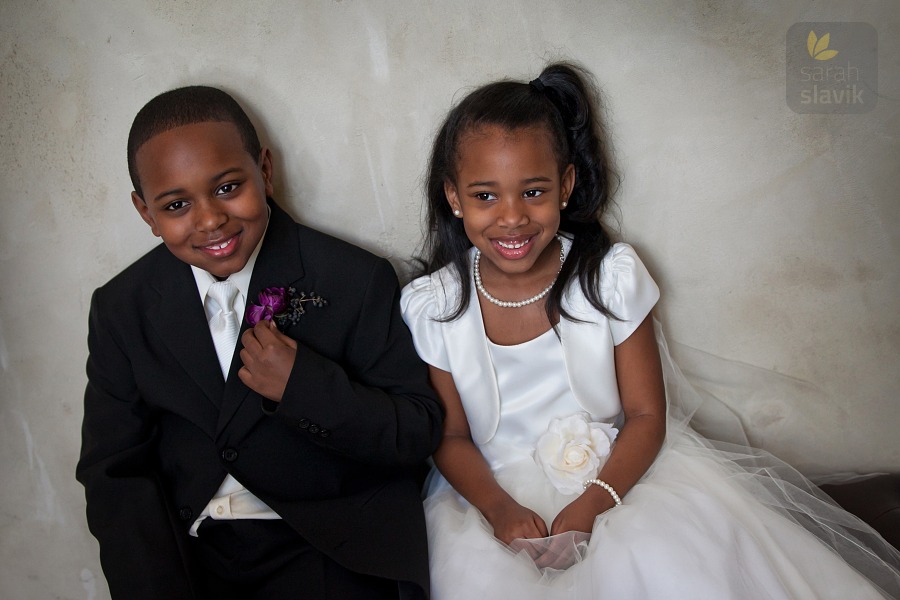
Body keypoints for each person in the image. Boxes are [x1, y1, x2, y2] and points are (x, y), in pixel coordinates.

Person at [400, 62, 900, 599]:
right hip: (490, 494)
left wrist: (591, 506)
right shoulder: (438, 305)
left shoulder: (606, 278)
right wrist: (499, 509)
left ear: (565, 185)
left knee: (667, 566)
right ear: (453, 197)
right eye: (485, 196)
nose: (512, 217)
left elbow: (645, 415)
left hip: (618, 481)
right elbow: (449, 436)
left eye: (534, 191)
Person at [76, 85, 444, 600]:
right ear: (146, 213)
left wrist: (305, 386)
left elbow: (415, 432)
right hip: (193, 560)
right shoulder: (122, 308)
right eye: (177, 204)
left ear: (264, 171)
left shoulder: (352, 278)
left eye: (227, 188)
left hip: (327, 550)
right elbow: (114, 473)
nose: (209, 220)